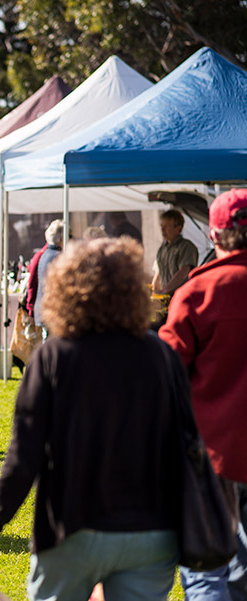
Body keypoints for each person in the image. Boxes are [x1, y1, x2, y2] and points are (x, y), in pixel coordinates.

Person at [0, 237, 185, 601]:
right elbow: (187, 443)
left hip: (73, 526)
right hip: (151, 529)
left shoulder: (54, 357)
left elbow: (25, 458)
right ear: (134, 289)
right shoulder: (162, 356)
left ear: (66, 290)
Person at [160, 188, 247, 601]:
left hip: (212, 454)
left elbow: (166, 372)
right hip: (216, 454)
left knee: (205, 569)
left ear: (214, 235)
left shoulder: (198, 292)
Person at [152, 208, 198, 296]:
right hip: (166, 300)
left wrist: (165, 290)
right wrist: (154, 292)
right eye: (162, 226)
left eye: (167, 226)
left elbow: (183, 272)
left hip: (182, 298)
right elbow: (158, 273)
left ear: (178, 228)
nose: (162, 229)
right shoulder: (162, 249)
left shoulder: (186, 247)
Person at [34, 220, 64, 330]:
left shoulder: (45, 254)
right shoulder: (58, 257)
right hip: (52, 310)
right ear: (62, 237)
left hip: (44, 308)